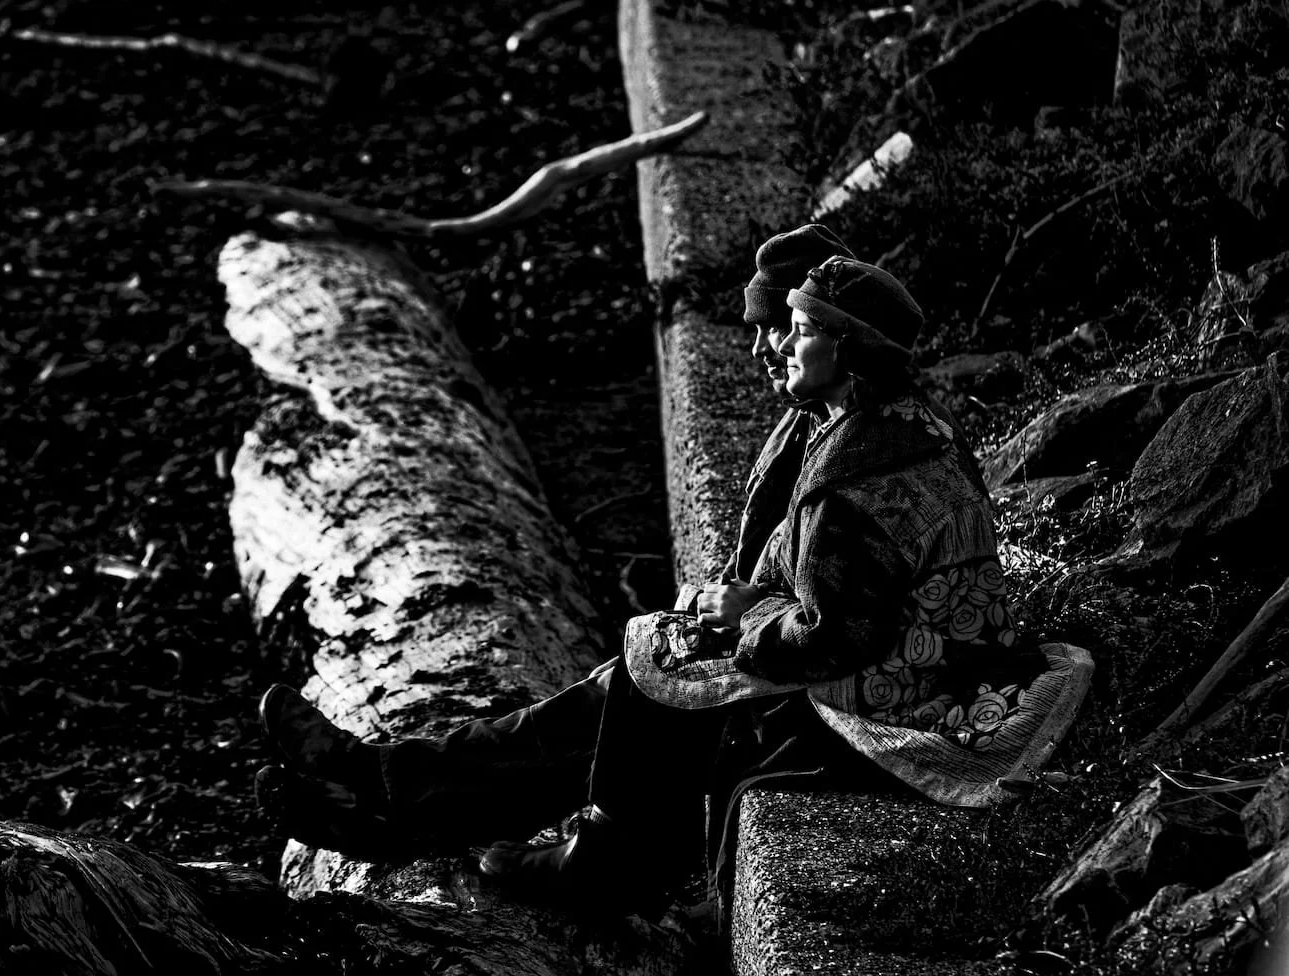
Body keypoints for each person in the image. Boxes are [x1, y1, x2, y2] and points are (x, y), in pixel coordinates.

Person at [253, 230, 1094, 918]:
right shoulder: (891, 428)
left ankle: (536, 841)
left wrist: (742, 616)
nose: (775, 348)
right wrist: (745, 607)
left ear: (844, 346)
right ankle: (396, 794)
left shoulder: (860, 475)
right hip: (907, 664)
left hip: (894, 699)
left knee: (649, 680)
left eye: (793, 328)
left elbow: (834, 638)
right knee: (638, 671)